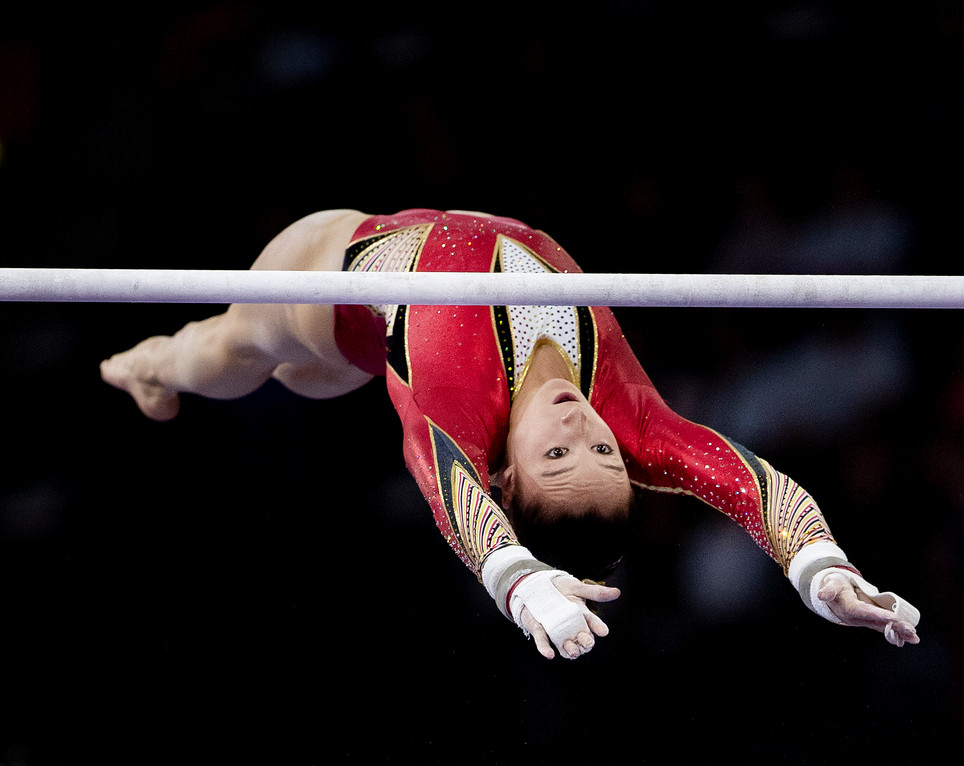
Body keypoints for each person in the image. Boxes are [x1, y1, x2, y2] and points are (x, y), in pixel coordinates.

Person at [101, 208, 921, 660]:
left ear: (499, 476)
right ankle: (230, 371)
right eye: (603, 453)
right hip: (370, 326)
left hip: (321, 290)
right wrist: (820, 569)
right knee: (285, 376)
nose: (582, 426)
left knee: (230, 349)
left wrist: (518, 581)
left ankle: (154, 365)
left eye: (555, 457)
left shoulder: (455, 404)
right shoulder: (627, 413)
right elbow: (747, 485)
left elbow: (439, 481)